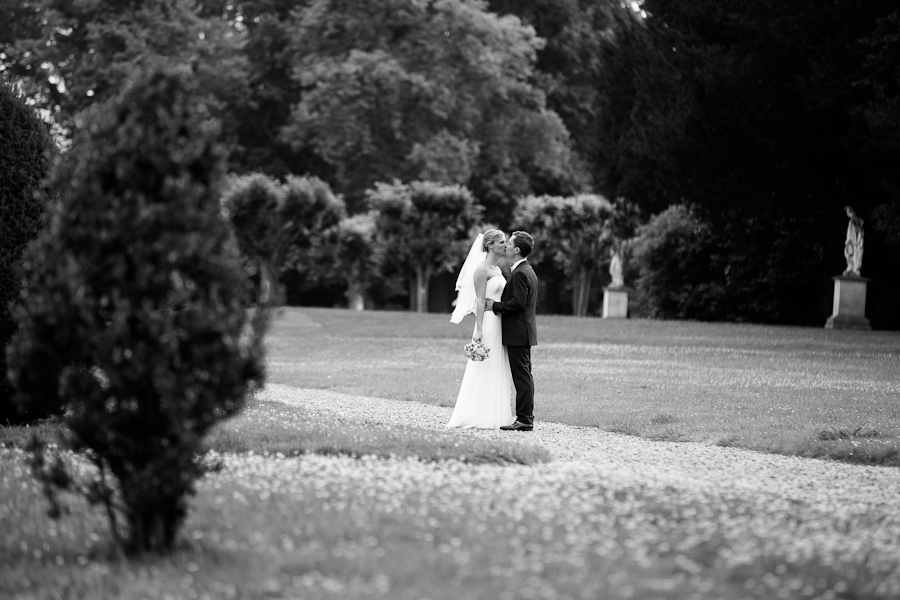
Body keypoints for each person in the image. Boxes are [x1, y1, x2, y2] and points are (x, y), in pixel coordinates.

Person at [446, 230, 515, 429]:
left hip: (500, 322)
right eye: (502, 242)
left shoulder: (498, 269)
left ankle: (494, 414)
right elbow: (479, 300)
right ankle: (474, 414)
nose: (505, 245)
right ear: (490, 245)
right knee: (483, 366)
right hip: (488, 324)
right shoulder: (481, 269)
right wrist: (479, 329)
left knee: (497, 366)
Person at [485, 231, 538, 432]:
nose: (505, 245)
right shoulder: (526, 270)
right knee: (524, 375)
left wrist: (495, 306)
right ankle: (526, 417)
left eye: (509, 243)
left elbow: (518, 303)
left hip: (518, 332)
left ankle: (525, 419)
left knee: (522, 376)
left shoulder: (521, 273)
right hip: (522, 331)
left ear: (516, 249)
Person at [843, 205, 864, 276]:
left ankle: (855, 270)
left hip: (855, 243)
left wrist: (856, 242)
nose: (847, 214)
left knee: (856, 255)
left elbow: (859, 233)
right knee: (848, 254)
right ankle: (850, 268)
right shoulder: (851, 222)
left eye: (848, 212)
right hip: (850, 242)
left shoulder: (856, 221)